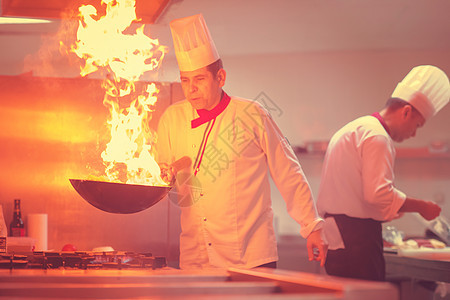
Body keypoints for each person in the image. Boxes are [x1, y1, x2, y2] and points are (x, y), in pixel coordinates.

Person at [156, 14, 326, 269]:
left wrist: (311, 226)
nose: (191, 89)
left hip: (249, 256)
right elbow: (160, 177)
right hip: (195, 256)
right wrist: (164, 175)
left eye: (200, 79)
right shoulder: (172, 118)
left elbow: (288, 171)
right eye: (185, 80)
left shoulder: (252, 114)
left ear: (220, 78)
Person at [317, 65, 449, 281]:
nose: (414, 134)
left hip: (337, 236)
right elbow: (378, 194)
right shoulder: (377, 137)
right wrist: (421, 206)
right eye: (417, 125)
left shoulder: (356, 128)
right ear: (406, 112)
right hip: (356, 241)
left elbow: (361, 196)